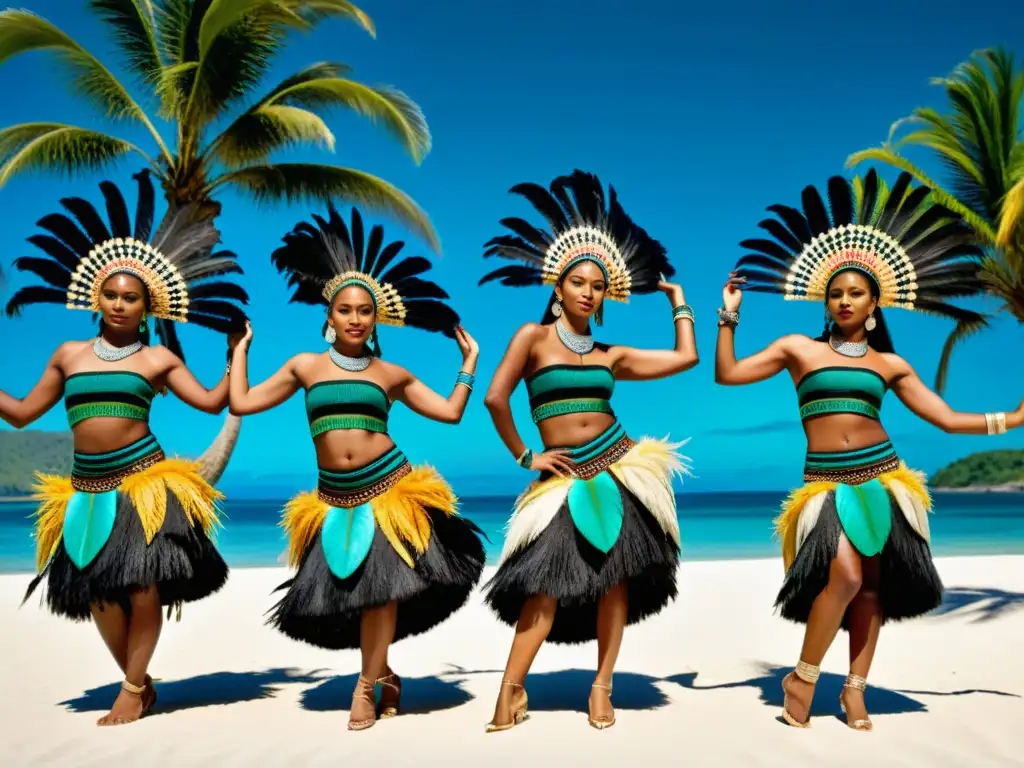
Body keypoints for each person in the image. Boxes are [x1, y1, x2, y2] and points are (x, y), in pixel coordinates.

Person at [718, 168, 1024, 730]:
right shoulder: (797, 350)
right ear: (824, 300)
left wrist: (1017, 417)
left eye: (855, 292)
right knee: (848, 579)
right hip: (826, 485)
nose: (843, 300)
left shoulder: (890, 364)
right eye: (835, 293)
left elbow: (949, 420)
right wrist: (729, 313)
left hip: (883, 479)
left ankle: (854, 692)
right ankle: (803, 676)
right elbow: (729, 373)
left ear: (875, 303)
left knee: (872, 592)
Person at [2, 171, 249, 725]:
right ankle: (137, 681)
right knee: (97, 597)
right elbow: (20, 414)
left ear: (146, 305)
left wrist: (237, 354)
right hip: (86, 488)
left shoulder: (157, 360)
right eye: (111, 295)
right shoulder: (68, 354)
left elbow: (213, 403)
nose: (119, 304)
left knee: (142, 588)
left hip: (143, 481)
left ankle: (134, 688)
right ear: (97, 296)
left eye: (130, 297)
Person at [228, 204, 486, 731]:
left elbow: (451, 413)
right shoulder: (304, 366)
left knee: (381, 594)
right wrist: (240, 351)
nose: (354, 318)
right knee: (356, 598)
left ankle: (365, 689)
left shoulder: (391, 372)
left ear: (376, 318)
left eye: (364, 311)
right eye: (345, 309)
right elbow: (242, 403)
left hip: (389, 489)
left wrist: (468, 365)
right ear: (329, 314)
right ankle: (384, 674)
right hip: (333, 498)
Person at [477, 169, 698, 731]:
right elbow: (496, 399)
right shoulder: (531, 338)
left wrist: (679, 301)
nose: (588, 291)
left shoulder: (611, 354)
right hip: (561, 478)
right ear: (558, 287)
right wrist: (526, 457)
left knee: (615, 583)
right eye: (579, 281)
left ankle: (602, 688)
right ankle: (510, 690)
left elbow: (685, 359)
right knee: (543, 587)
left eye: (598, 286)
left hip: (618, 465)